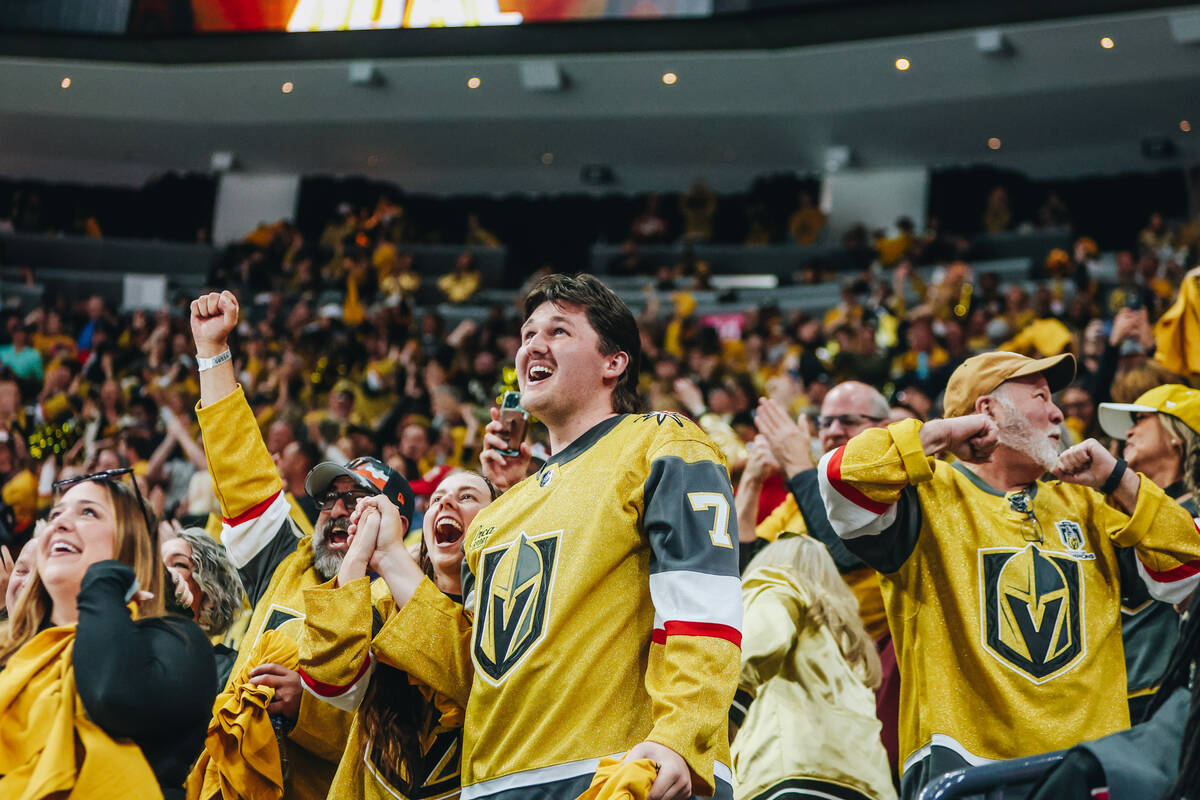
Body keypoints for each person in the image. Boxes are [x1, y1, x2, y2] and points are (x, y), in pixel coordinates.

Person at [349, 273, 743, 800]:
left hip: (619, 772)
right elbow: (473, 675)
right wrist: (393, 556)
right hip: (492, 784)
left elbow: (704, 602)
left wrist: (680, 736)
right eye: (528, 334)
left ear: (614, 362)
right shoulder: (495, 517)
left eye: (559, 331)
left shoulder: (662, 440)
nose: (533, 344)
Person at [817, 351, 1200, 799]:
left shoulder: (1089, 504)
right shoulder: (925, 495)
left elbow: (1189, 569)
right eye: (1040, 395)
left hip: (1086, 771)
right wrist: (940, 434)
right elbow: (841, 480)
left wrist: (1120, 479)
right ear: (987, 411)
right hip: (964, 771)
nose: (1057, 411)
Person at [189, 290, 416, 800]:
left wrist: (307, 706)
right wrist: (213, 352)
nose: (336, 511)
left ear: (396, 522)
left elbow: (408, 736)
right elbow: (243, 473)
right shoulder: (289, 564)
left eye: (356, 501)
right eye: (329, 502)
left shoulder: (408, 608)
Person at [0, 471, 216, 799]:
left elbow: (112, 695)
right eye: (56, 513)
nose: (60, 522)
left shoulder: (175, 639)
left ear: (131, 542)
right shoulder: (10, 652)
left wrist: (105, 577)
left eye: (88, 512)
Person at [298, 469, 497, 799]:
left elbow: (468, 680)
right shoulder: (385, 601)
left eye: (467, 497)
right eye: (436, 499)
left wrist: (390, 555)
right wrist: (361, 554)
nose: (445, 501)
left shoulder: (506, 607)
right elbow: (327, 676)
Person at [738, 381, 899, 772]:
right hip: (785, 678)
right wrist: (752, 480)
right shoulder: (804, 494)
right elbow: (745, 561)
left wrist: (797, 463)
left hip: (860, 682)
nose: (832, 430)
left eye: (848, 420)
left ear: (885, 426)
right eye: (825, 420)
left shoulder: (891, 488)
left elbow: (845, 554)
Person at [731, 535, 895, 800]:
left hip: (790, 774)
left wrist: (726, 711)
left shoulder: (779, 584)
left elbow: (760, 638)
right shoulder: (851, 645)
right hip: (870, 787)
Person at [1096, 383, 1200, 718]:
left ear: (1176, 437)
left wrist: (1116, 479)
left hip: (1167, 700)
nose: (1129, 431)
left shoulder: (1193, 511)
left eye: (1140, 419)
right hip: (1111, 700)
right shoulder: (1111, 509)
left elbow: (1175, 575)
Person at [161, 526, 246, 689]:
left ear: (211, 596)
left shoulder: (229, 674)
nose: (163, 572)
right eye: (157, 564)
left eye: (179, 564)